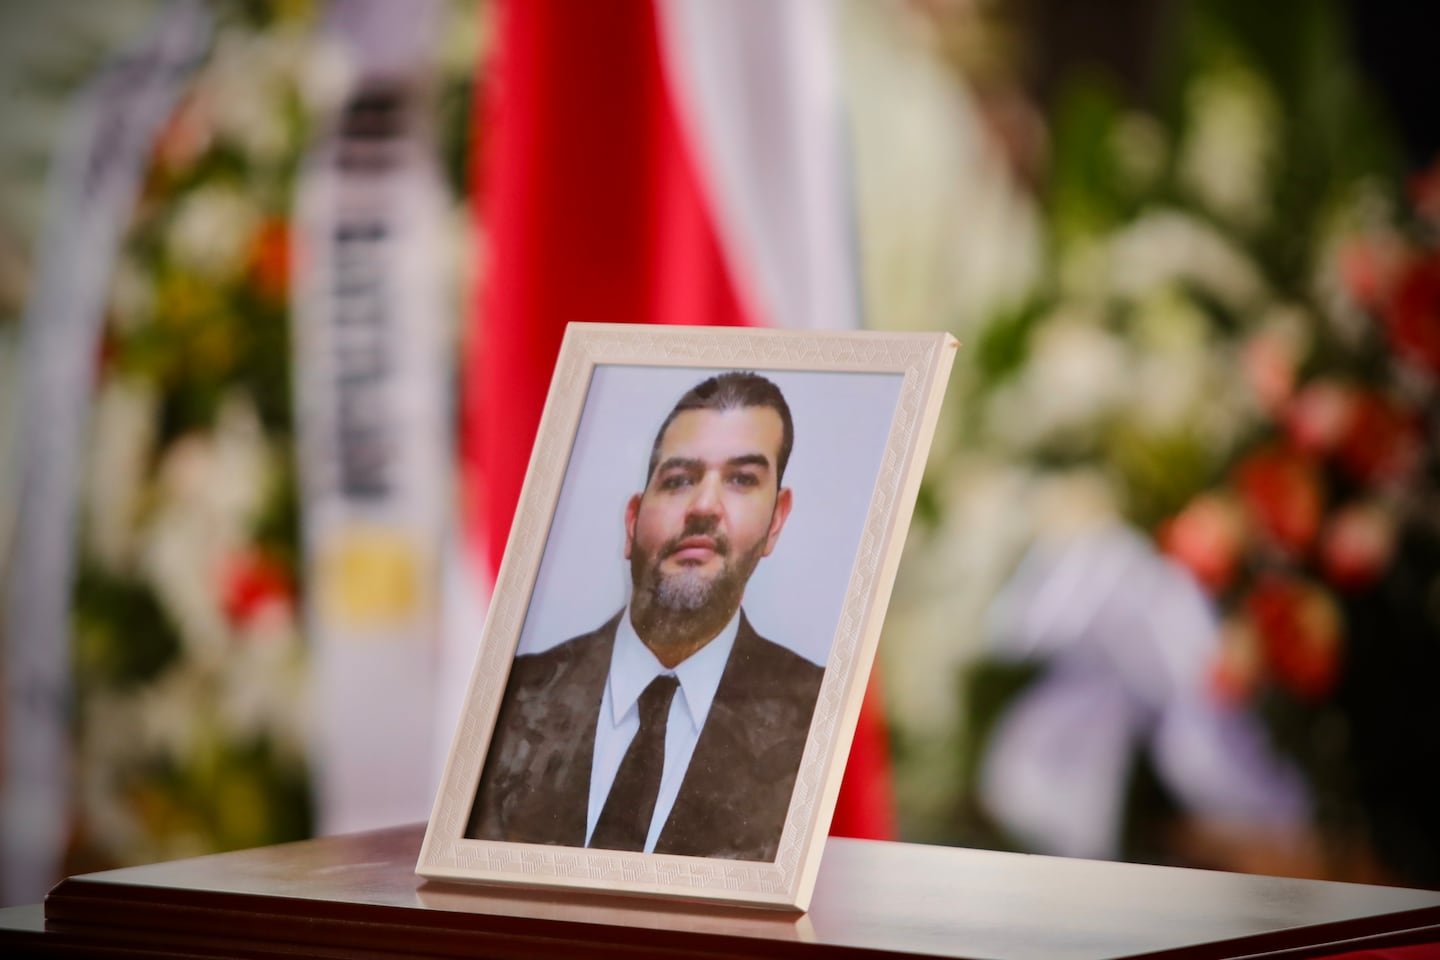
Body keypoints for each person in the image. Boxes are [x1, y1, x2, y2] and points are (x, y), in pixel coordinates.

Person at [465, 372, 823, 861]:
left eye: (741, 479)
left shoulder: (817, 716)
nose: (704, 506)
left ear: (776, 520)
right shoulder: (513, 694)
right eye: (678, 480)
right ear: (632, 521)